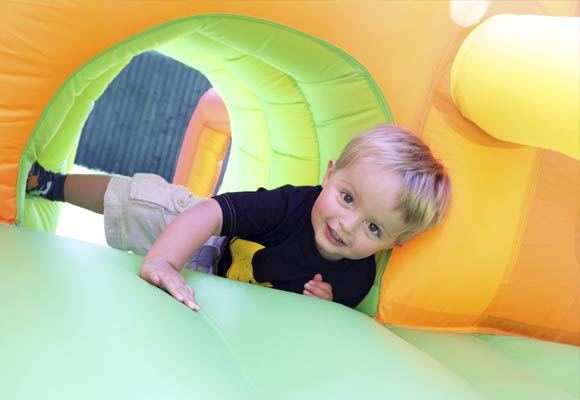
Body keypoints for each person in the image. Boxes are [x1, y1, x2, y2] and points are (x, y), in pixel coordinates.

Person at [26, 124, 451, 311]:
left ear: (395, 244)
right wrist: (164, 262)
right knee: (152, 201)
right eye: (347, 198)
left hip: (236, 293)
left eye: (373, 228)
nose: (347, 225)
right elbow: (211, 212)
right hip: (214, 239)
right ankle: (51, 184)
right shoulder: (291, 206)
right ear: (329, 174)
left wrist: (322, 309)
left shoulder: (356, 280)